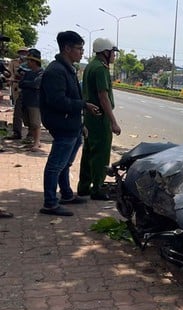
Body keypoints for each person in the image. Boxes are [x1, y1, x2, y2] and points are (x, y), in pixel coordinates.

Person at [39, 30, 101, 216]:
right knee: (55, 165)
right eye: (79, 49)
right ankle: (50, 202)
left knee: (65, 163)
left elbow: (71, 98)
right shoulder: (56, 71)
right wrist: (84, 105)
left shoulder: (68, 69)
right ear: (67, 48)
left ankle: (66, 194)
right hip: (62, 125)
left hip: (72, 125)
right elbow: (57, 101)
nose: (82, 52)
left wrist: (80, 124)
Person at [78, 38, 121, 200]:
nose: (114, 56)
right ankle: (97, 188)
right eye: (113, 53)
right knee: (101, 153)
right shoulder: (101, 69)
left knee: (88, 151)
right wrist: (113, 122)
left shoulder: (90, 66)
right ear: (105, 52)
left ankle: (83, 186)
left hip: (90, 116)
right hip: (100, 117)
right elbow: (104, 97)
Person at [18, 48, 44, 151]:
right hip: (26, 100)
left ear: (34, 61)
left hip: (35, 101)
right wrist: (28, 84)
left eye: (29, 60)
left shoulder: (41, 73)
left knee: (35, 123)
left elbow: (36, 84)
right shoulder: (28, 73)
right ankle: (33, 141)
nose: (27, 62)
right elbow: (21, 83)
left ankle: (37, 143)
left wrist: (27, 84)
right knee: (28, 122)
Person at [4, 47, 29, 140]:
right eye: (21, 52)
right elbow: (9, 74)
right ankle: (17, 133)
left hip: (29, 91)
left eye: (25, 52)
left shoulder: (31, 63)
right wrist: (9, 79)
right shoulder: (13, 62)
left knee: (30, 112)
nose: (23, 54)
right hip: (17, 90)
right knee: (18, 112)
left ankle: (31, 135)